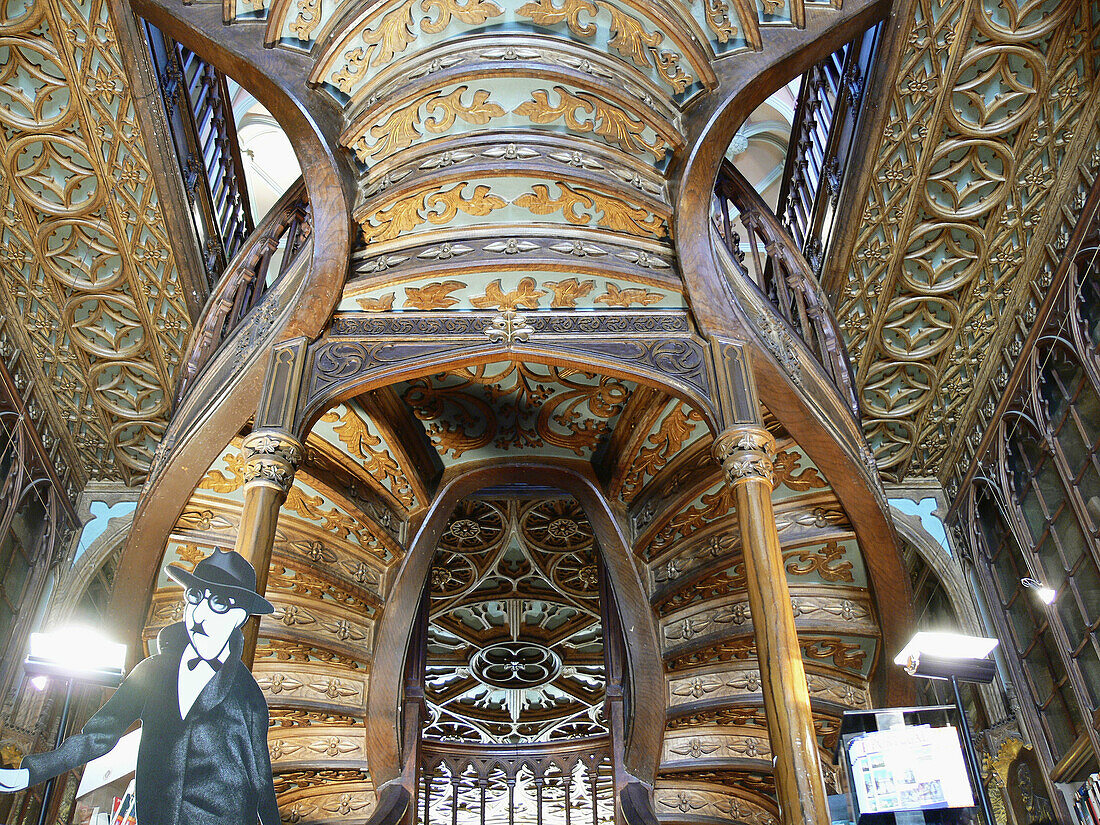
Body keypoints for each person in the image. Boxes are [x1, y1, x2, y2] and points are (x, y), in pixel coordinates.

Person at [0, 548, 280, 825]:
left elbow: (260, 781)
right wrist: (29, 773)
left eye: (219, 602)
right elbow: (98, 735)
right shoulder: (152, 672)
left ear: (240, 617)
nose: (199, 615)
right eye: (195, 597)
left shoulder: (248, 697)